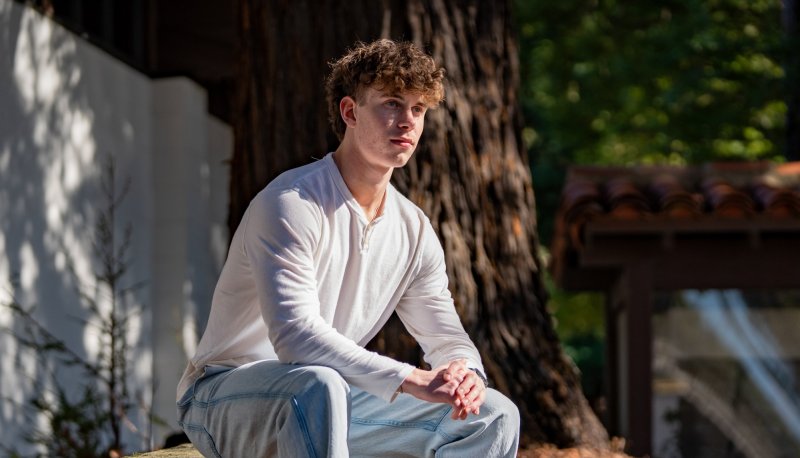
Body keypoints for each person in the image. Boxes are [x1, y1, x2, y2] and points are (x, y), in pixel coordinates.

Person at [176, 38, 520, 457]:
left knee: (495, 414)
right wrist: (412, 379)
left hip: (331, 397)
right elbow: (296, 339)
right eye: (392, 103)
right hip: (224, 397)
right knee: (318, 384)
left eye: (418, 109)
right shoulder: (292, 202)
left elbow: (446, 336)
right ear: (350, 112)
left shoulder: (413, 229)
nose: (407, 121)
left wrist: (466, 373)